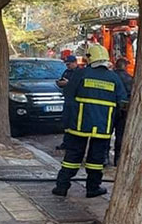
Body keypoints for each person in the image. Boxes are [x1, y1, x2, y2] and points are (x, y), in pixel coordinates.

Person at [52, 44, 126, 198]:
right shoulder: (114, 78)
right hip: (103, 127)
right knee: (96, 160)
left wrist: (66, 122)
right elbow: (122, 101)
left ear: (89, 58)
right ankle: (93, 188)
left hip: (79, 125)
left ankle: (61, 187)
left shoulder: (81, 74)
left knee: (72, 156)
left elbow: (69, 95)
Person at [111, 58, 133, 167]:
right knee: (120, 135)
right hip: (123, 111)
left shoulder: (111, 76)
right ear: (125, 66)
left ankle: (104, 157)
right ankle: (117, 159)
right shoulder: (129, 78)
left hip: (110, 109)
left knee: (106, 134)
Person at [55, 55, 80, 150]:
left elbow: (79, 85)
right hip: (67, 100)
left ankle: (73, 144)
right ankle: (66, 142)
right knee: (66, 122)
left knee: (74, 123)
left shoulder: (79, 72)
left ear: (75, 63)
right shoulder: (67, 72)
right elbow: (63, 81)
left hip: (76, 101)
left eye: (69, 64)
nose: (67, 66)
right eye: (66, 64)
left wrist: (68, 83)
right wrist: (60, 83)